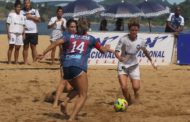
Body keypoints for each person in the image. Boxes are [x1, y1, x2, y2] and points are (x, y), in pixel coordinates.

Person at [37, 18, 113, 121]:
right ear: (87, 27)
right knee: (83, 95)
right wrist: (107, 48)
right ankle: (71, 118)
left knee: (77, 89)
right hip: (78, 67)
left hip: (66, 67)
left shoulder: (69, 36)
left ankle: (64, 102)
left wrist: (43, 53)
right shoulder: (91, 39)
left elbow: (55, 43)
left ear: (77, 27)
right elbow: (103, 51)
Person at [114, 18, 157, 105]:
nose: (134, 32)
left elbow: (145, 51)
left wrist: (152, 61)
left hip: (134, 66)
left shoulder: (141, 41)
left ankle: (135, 93)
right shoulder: (123, 39)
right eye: (132, 30)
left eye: (136, 30)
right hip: (123, 65)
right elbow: (116, 51)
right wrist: (119, 58)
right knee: (124, 87)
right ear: (129, 29)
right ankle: (129, 102)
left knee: (136, 87)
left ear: (138, 30)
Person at [52, 19, 78, 108]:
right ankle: (56, 101)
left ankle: (62, 99)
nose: (73, 29)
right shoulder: (65, 36)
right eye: (71, 27)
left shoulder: (77, 36)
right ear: (67, 28)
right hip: (65, 62)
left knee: (70, 87)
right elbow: (58, 44)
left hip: (74, 64)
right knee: (63, 83)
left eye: (75, 27)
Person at [21, 0, 40, 64]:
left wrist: (30, 16)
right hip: (25, 32)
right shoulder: (21, 11)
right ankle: (25, 62)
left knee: (33, 47)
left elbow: (38, 20)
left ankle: (34, 61)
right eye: (25, 3)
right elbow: (20, 21)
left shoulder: (35, 10)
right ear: (24, 4)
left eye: (28, 3)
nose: (26, 4)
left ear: (30, 3)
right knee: (25, 47)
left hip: (34, 32)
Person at [6, 0, 25, 64]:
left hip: (19, 34)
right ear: (15, 7)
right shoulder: (11, 14)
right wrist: (8, 33)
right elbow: (7, 24)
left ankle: (16, 61)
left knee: (18, 48)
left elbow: (23, 25)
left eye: (19, 7)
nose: (18, 8)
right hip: (12, 33)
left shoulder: (22, 15)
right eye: (17, 7)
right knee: (11, 47)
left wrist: (24, 33)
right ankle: (9, 61)